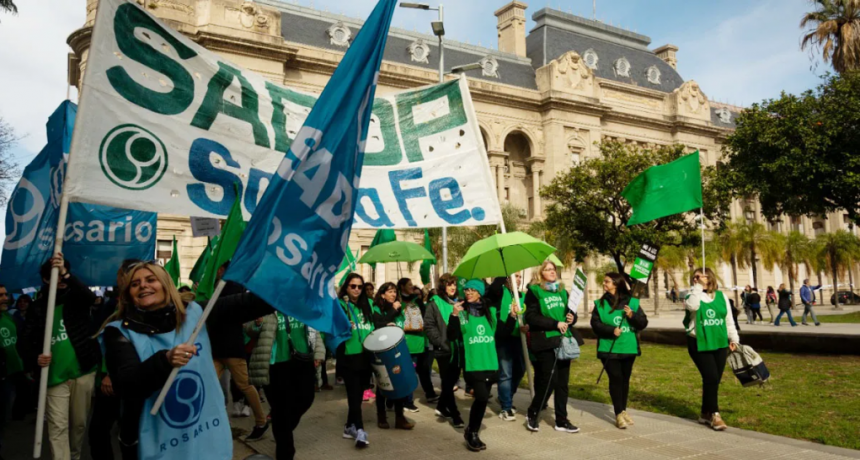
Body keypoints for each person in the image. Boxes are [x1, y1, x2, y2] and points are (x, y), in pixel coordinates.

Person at [100, 261, 274, 460]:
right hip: (159, 441)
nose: (143, 286)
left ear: (166, 284)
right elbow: (126, 385)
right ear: (128, 294)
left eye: (151, 280)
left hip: (209, 435)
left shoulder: (196, 313)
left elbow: (249, 304)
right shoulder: (119, 332)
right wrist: (165, 360)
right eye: (135, 284)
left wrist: (290, 282)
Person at [25, 254, 99, 460]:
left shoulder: (77, 299)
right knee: (58, 426)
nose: (60, 280)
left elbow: (90, 297)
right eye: (55, 275)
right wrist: (35, 358)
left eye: (63, 274)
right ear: (46, 280)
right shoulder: (38, 306)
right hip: (53, 377)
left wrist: (66, 273)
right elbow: (26, 341)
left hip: (82, 371)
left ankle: (74, 456)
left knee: (78, 424)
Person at [447, 279, 516, 451]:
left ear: (479, 293)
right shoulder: (461, 313)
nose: (468, 292)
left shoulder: (491, 312)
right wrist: (454, 315)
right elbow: (452, 335)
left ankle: (471, 430)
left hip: (490, 363)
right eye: (466, 290)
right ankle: (473, 433)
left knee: (482, 399)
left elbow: (503, 332)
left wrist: (513, 316)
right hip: (472, 364)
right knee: (483, 397)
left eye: (472, 290)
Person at [206, 261, 269, 441]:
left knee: (244, 386)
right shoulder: (231, 287)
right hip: (222, 347)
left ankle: (261, 421)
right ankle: (215, 422)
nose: (216, 272)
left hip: (229, 347)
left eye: (219, 269)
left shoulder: (230, 287)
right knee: (210, 383)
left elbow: (222, 311)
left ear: (222, 270)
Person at [89, 259, 142, 460]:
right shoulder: (115, 302)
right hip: (114, 374)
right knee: (103, 431)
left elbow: (125, 344)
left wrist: (110, 373)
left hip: (120, 377)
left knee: (123, 432)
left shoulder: (136, 305)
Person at [524, 260, 581, 434]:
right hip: (545, 342)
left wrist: (572, 318)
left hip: (563, 341)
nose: (551, 272)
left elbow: (570, 313)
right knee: (548, 381)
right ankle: (533, 413)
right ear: (541, 274)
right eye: (547, 270)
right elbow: (531, 318)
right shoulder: (534, 292)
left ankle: (561, 420)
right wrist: (555, 323)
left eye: (553, 269)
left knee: (562, 383)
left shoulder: (563, 291)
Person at [684, 268, 739, 431]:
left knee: (713, 380)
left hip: (720, 342)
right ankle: (715, 414)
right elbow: (692, 306)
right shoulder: (692, 295)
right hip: (699, 343)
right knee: (711, 377)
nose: (701, 279)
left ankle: (705, 412)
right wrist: (697, 287)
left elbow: (729, 320)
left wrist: (734, 339)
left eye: (705, 276)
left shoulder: (722, 297)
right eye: (697, 277)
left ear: (712, 278)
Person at [590, 273, 648, 429]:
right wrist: (610, 330)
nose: (604, 284)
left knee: (624, 380)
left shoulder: (631, 302)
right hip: (609, 349)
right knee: (615, 378)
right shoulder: (600, 304)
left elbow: (642, 323)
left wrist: (632, 315)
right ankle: (617, 413)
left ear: (616, 283)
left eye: (607, 281)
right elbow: (595, 325)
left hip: (628, 347)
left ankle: (623, 410)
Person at [266, 311, 323, 460]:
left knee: (306, 398)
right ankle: (285, 452)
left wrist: (318, 353)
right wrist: (257, 323)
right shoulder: (265, 300)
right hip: (276, 363)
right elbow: (249, 329)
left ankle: (281, 430)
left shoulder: (300, 301)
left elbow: (314, 330)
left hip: (303, 360)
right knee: (281, 409)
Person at [337, 273, 377, 448]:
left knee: (359, 393)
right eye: (353, 286)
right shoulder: (339, 305)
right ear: (346, 287)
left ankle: (348, 426)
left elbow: (375, 323)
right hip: (348, 355)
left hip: (366, 355)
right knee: (353, 393)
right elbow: (332, 328)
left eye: (360, 286)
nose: (356, 289)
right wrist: (343, 326)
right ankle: (359, 430)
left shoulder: (367, 304)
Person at [424, 274, 465, 428]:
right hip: (443, 349)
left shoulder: (459, 301)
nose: (453, 287)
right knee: (447, 382)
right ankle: (455, 414)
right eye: (449, 285)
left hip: (457, 348)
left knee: (451, 380)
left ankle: (441, 406)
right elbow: (428, 325)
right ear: (443, 286)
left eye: (454, 284)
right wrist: (439, 342)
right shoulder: (434, 303)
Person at [372, 282, 415, 430]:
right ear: (382, 294)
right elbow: (378, 325)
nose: (393, 294)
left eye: (395, 292)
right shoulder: (377, 308)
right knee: (383, 383)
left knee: (399, 382)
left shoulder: (399, 309)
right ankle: (382, 416)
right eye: (389, 292)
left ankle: (399, 417)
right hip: (382, 352)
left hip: (398, 350)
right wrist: (393, 310)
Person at [486, 274, 527, 422]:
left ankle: (505, 397)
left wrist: (527, 326)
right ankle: (506, 407)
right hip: (504, 338)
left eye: (519, 277)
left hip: (519, 338)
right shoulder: (500, 292)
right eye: (514, 276)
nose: (518, 279)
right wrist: (504, 273)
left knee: (520, 370)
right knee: (506, 373)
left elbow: (527, 315)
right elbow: (492, 289)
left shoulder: (522, 296)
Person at [396, 278, 438, 409]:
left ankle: (429, 393)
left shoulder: (417, 300)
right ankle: (407, 401)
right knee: (409, 372)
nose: (412, 286)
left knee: (424, 370)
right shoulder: (397, 302)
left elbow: (424, 317)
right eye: (409, 285)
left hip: (421, 341)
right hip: (407, 343)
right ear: (402, 286)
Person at [0, 283, 24, 459]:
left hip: (10, 374)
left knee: (3, 418)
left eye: (5, 294)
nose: (5, 298)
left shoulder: (8, 317)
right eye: (0, 295)